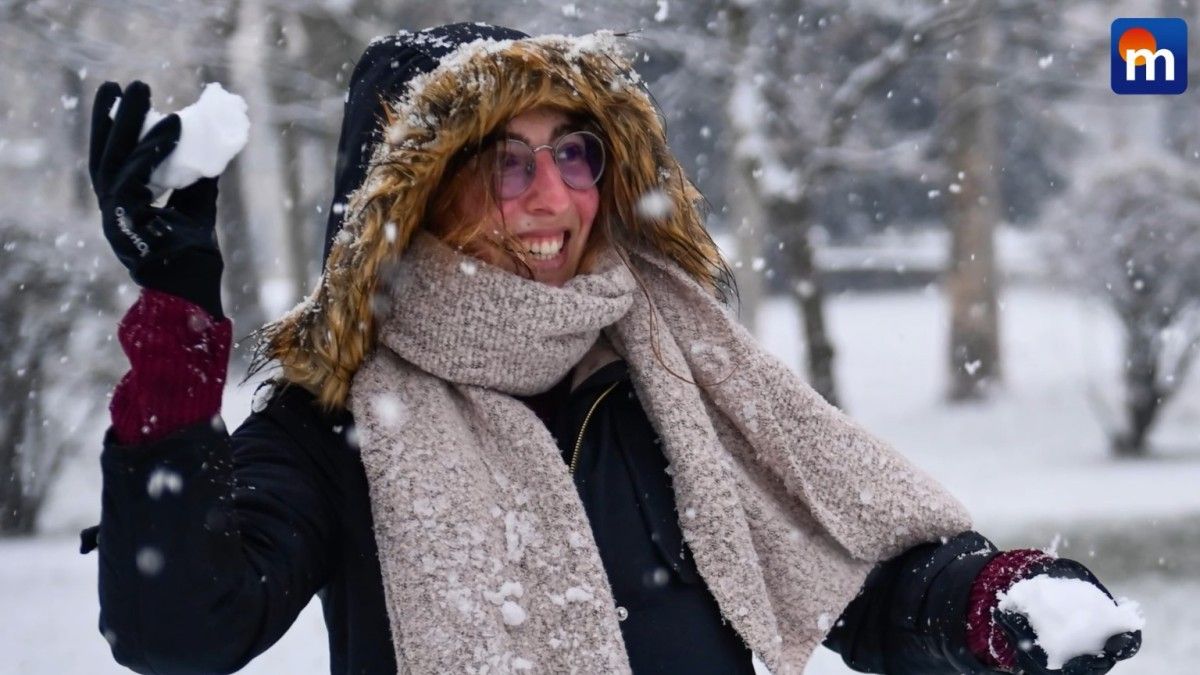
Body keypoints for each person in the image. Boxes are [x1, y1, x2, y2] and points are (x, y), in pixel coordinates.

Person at [82, 22, 1141, 675]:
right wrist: (176, 320)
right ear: (408, 203)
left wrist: (989, 602)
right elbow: (183, 629)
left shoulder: (665, 378)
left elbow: (852, 578)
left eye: (576, 155)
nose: (554, 198)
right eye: (505, 163)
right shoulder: (333, 426)